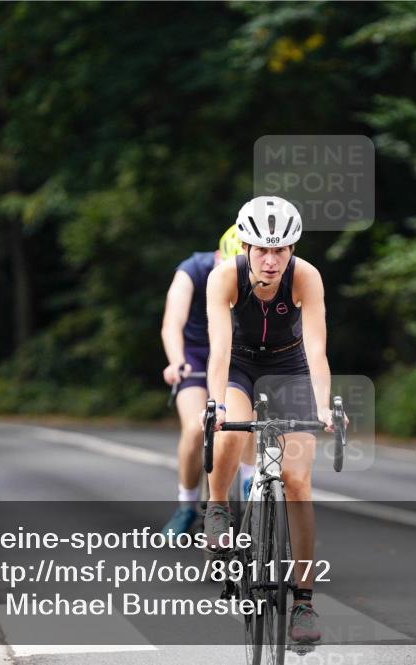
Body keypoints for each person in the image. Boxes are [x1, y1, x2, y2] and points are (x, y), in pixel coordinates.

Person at [204, 195, 342, 645]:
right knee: (230, 431)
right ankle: (218, 507)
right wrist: (216, 404)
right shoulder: (224, 277)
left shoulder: (306, 277)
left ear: (291, 249)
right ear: (246, 246)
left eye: (279, 249)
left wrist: (322, 405)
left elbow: (316, 349)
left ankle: (303, 600)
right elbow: (219, 350)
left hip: (289, 367)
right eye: (262, 249)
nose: (270, 259)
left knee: (298, 481)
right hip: (240, 365)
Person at [159, 226, 247, 537]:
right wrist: (176, 361)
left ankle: (247, 490)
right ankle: (186, 505)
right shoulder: (192, 270)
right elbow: (172, 323)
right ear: (219, 256)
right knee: (196, 428)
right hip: (194, 355)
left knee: (243, 420)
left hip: (232, 352)